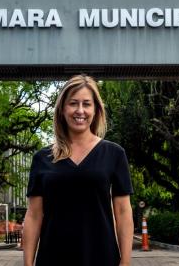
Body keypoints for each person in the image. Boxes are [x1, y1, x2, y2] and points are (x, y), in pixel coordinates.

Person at [23, 75, 134, 266]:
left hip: (102, 257)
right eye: (73, 103)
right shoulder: (42, 158)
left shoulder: (114, 154)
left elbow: (123, 212)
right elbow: (33, 215)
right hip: (53, 258)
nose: (80, 110)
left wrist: (125, 263)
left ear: (96, 109)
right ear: (62, 109)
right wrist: (28, 263)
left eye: (86, 104)